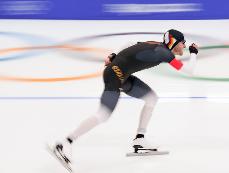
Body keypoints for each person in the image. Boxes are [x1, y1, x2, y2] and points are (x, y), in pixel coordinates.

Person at [52, 29, 199, 165]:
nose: (184, 46)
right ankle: (64, 143)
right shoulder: (165, 53)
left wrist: (114, 55)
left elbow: (131, 43)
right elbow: (190, 71)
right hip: (115, 75)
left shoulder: (156, 45)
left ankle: (140, 139)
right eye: (183, 42)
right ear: (174, 42)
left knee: (151, 98)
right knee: (103, 115)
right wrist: (194, 52)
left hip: (122, 75)